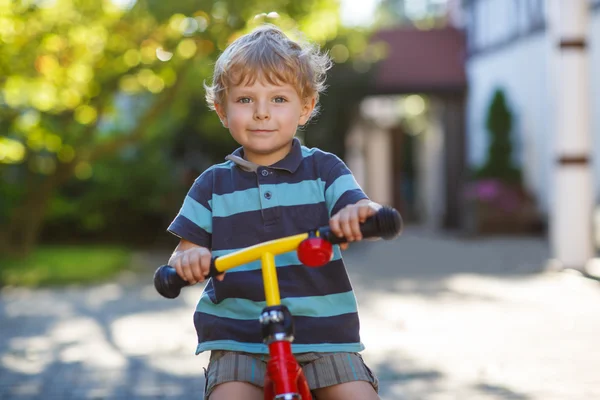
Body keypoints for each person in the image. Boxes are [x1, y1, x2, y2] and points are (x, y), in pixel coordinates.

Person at [167, 23, 381, 400]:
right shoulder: (212, 185)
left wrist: (360, 215)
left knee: (357, 394)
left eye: (278, 99)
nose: (262, 113)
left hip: (324, 332)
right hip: (237, 335)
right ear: (221, 109)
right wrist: (190, 258)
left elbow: (361, 209)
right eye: (246, 99)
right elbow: (184, 251)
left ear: (306, 107)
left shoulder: (324, 170)